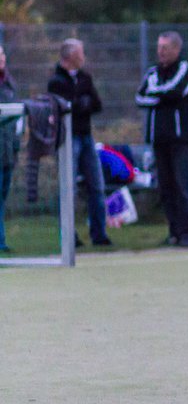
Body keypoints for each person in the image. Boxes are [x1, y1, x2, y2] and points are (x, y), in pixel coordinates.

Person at [47, 38, 111, 248]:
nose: (83, 57)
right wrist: (79, 104)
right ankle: (69, 236)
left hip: (86, 136)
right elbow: (63, 108)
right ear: (71, 56)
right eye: (80, 53)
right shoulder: (56, 81)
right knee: (69, 188)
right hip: (68, 139)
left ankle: (99, 234)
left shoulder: (85, 78)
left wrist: (81, 104)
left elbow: (96, 104)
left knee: (97, 186)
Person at [136, 31, 188, 247]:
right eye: (159, 47)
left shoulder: (184, 69)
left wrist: (157, 95)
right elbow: (140, 97)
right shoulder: (152, 73)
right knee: (166, 188)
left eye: (165, 47)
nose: (160, 51)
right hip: (158, 139)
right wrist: (160, 98)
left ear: (176, 50)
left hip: (179, 139)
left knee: (182, 186)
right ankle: (174, 232)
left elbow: (175, 92)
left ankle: (187, 232)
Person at [0, 45, 20, 253]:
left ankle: (1, 240)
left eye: (3, 54)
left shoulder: (10, 83)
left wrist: (15, 146)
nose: (2, 58)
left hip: (7, 152)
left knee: (2, 198)